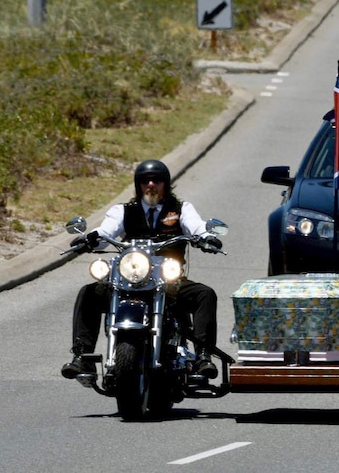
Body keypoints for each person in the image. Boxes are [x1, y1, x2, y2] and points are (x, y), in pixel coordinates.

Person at [61, 160, 223, 381]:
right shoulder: (123, 211)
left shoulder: (180, 209)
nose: (151, 185)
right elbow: (106, 230)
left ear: (166, 184)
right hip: (129, 280)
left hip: (169, 282)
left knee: (205, 294)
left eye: (156, 180)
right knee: (89, 293)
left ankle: (203, 356)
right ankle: (83, 357)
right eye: (145, 181)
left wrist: (206, 237)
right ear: (138, 185)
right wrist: (89, 238)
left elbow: (196, 225)